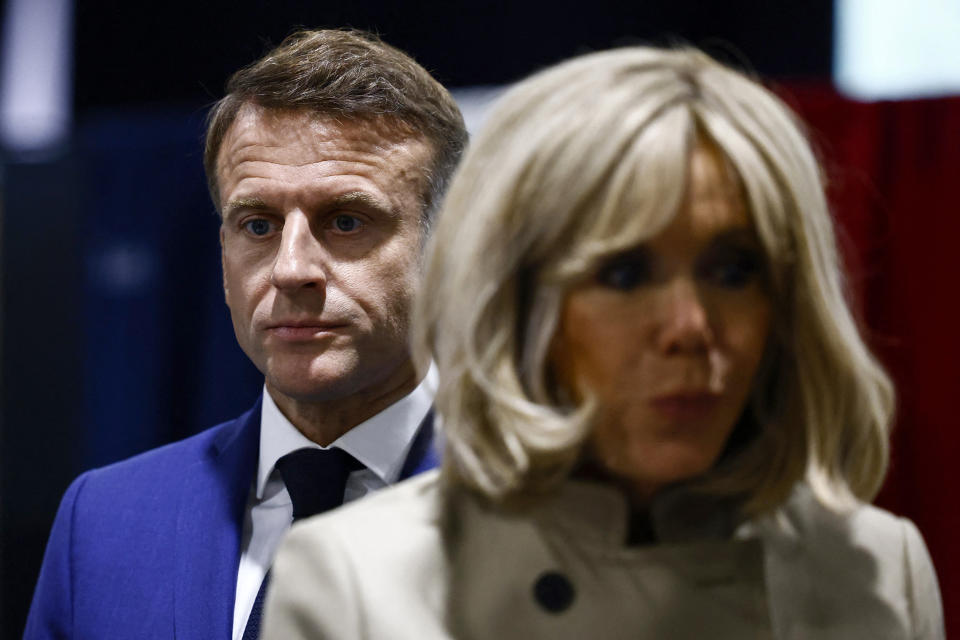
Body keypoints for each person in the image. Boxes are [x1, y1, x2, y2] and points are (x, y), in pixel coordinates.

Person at [262, 46, 945, 639]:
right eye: (625, 273)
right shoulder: (355, 582)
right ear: (517, 302)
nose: (690, 328)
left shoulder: (880, 571)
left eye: (734, 271)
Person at [25, 29, 466, 640]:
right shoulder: (102, 521)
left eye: (345, 220)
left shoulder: (550, 515)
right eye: (258, 225)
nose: (290, 269)